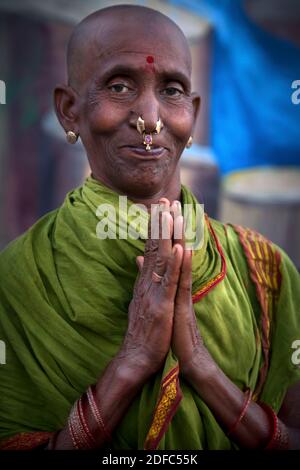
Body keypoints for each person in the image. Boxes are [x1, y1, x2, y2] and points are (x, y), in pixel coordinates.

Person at [0, 4, 299, 451]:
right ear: (68, 110)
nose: (150, 118)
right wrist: (132, 362)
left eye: (172, 90)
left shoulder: (265, 270)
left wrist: (201, 365)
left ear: (193, 115)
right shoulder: (20, 278)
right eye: (119, 86)